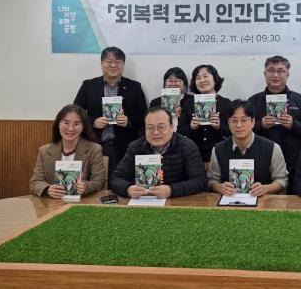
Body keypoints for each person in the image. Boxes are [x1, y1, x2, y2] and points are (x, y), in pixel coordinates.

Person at [74, 46, 147, 176]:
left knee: (120, 183)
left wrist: (128, 121)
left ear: (123, 65)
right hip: (95, 145)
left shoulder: (134, 87)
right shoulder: (88, 86)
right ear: (102, 63)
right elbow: (76, 113)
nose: (113, 65)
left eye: (118, 62)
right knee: (96, 183)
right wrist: (93, 122)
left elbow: (144, 116)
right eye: (109, 61)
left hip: (125, 148)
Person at [248, 55, 301, 193]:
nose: (275, 75)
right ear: (265, 74)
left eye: (280, 71)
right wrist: (260, 125)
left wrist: (293, 124)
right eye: (271, 70)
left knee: (294, 201)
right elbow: (242, 128)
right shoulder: (253, 101)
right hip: (261, 164)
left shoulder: (299, 99)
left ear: (287, 75)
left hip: (293, 164)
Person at [109, 107, 206, 198]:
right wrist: (128, 189)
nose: (155, 132)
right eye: (150, 128)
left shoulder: (187, 146)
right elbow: (116, 178)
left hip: (177, 201)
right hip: (143, 201)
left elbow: (200, 181)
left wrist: (171, 190)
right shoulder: (135, 147)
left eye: (161, 127)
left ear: (171, 127)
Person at [208, 100, 288, 197]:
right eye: (234, 121)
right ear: (228, 123)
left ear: (253, 122)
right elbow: (212, 180)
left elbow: (282, 180)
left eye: (244, 120)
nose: (239, 125)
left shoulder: (273, 148)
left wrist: (265, 189)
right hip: (230, 201)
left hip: (263, 201)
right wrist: (219, 187)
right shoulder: (218, 149)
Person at [29, 104, 107, 198]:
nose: (70, 128)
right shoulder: (44, 151)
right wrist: (47, 189)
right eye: (66, 123)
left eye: (76, 124)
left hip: (81, 202)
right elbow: (35, 182)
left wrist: (85, 186)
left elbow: (99, 181)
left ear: (83, 127)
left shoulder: (94, 149)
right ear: (58, 124)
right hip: (52, 202)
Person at [177, 64, 231, 162]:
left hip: (220, 155)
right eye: (198, 78)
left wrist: (220, 126)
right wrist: (191, 127)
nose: (202, 80)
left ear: (215, 79)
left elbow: (233, 132)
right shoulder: (188, 103)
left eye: (206, 76)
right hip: (193, 155)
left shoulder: (226, 103)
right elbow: (179, 131)